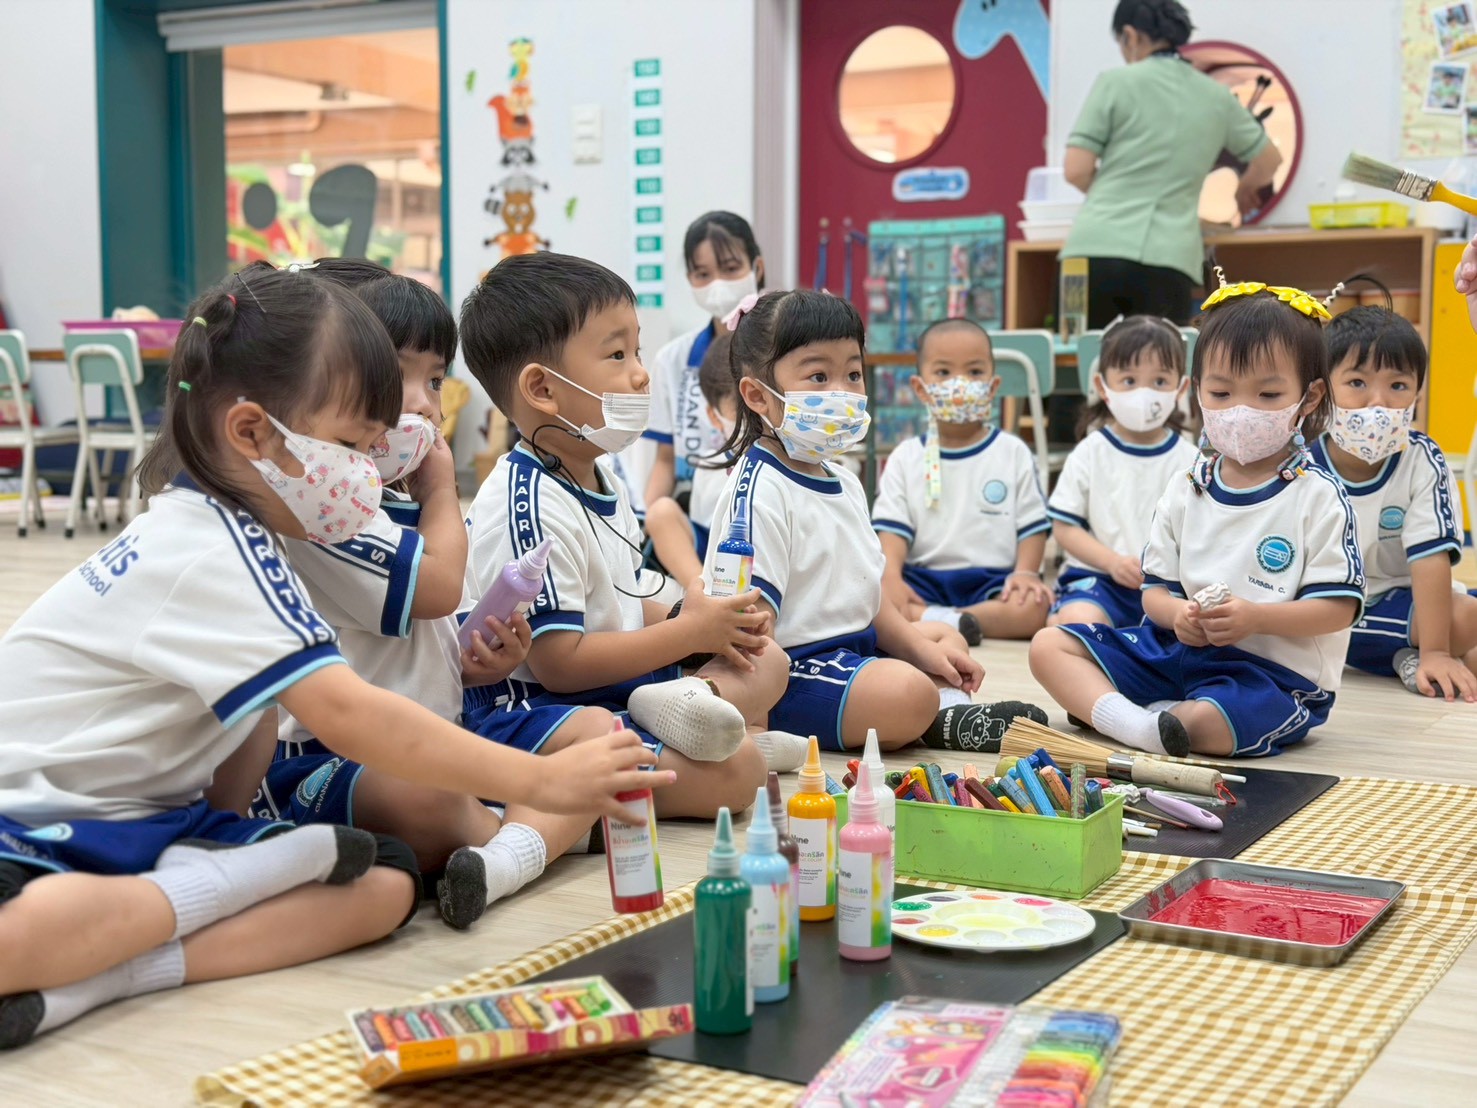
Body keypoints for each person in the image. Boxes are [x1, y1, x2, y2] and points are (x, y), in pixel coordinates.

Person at [0, 265, 663, 1047]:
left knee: (380, 887)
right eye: (350, 445)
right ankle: (119, 921)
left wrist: (223, 828)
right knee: (51, 922)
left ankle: (113, 969)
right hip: (38, 824)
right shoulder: (203, 547)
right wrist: (541, 781)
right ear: (251, 433)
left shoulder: (243, 535)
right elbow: (348, 713)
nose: (365, 467)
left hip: (153, 824)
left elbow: (247, 728)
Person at [253, 263, 607, 932]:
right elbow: (436, 588)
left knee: (594, 734)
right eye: (397, 378)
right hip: (330, 762)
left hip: (440, 735)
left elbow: (430, 630)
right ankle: (531, 838)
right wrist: (442, 490)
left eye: (436, 380)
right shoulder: (323, 511)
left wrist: (479, 659)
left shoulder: (389, 505)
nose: (421, 402)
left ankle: (508, 847)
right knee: (430, 798)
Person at [459, 252, 792, 816]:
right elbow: (560, 663)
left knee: (769, 661)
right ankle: (607, 790)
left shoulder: (600, 469)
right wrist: (688, 635)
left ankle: (680, 715)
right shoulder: (529, 503)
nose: (641, 372)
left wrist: (712, 622)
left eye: (637, 351)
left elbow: (622, 595)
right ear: (542, 389)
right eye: (617, 354)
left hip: (618, 685)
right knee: (741, 778)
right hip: (542, 711)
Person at [1029, 278, 1364, 757]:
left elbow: (1338, 609)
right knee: (1049, 647)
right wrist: (1178, 616)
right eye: (1222, 393)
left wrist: (1254, 619)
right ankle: (1149, 728)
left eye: (1268, 396)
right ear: (1199, 392)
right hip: (1176, 653)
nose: (1241, 410)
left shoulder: (1318, 496)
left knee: (1209, 720)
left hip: (1270, 676)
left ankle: (1141, 721)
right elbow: (1154, 591)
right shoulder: (1188, 484)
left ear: (1308, 399)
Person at [707, 289, 1048, 755]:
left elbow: (869, 596)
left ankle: (933, 711)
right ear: (757, 396)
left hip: (855, 651)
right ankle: (937, 719)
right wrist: (752, 712)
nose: (843, 393)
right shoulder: (759, 487)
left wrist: (920, 649)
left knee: (943, 640)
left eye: (853, 373)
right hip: (794, 669)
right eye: (819, 376)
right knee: (907, 692)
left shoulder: (844, 482)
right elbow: (748, 629)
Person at [1060, 0, 1283, 326]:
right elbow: (1269, 159)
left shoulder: (1114, 82)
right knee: (1161, 363)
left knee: (1073, 353)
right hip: (1170, 258)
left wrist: (1115, 195)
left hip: (1088, 253)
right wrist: (1242, 190)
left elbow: (1075, 169)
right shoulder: (1216, 96)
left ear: (1129, 36)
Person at [1308, 306, 1476, 700]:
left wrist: (1435, 651)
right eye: (1357, 382)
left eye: (1398, 386)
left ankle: (1408, 654)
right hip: (1326, 608)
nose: (1378, 402)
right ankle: (1407, 653)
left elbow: (1430, 559)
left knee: (1467, 619)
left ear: (1418, 392)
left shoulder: (1422, 458)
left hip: (1404, 601)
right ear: (1322, 390)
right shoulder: (1300, 466)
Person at [873, 319, 1054, 642]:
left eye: (973, 372)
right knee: (875, 601)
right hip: (922, 579)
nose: (959, 383)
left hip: (992, 581)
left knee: (1033, 610)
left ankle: (930, 620)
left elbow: (1033, 527)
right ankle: (956, 621)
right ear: (920, 388)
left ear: (992, 386)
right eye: (943, 373)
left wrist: (1026, 573)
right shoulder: (905, 456)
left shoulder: (1012, 451)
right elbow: (891, 532)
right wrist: (892, 577)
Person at [1048, 315, 1200, 627]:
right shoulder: (1091, 452)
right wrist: (1112, 562)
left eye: (1159, 381)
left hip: (1168, 590)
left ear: (1181, 388)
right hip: (1099, 579)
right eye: (1129, 381)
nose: (1143, 393)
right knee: (1078, 623)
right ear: (1103, 387)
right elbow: (1065, 528)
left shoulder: (1191, 459)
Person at [641, 212, 764, 511]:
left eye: (731, 268)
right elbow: (666, 461)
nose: (717, 284)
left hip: (766, 505)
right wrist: (647, 518)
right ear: (690, 280)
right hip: (700, 513)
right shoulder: (673, 359)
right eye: (703, 275)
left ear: (757, 268)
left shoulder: (784, 349)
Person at [645, 330, 739, 587]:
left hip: (762, 564)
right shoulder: (708, 464)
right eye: (739, 406)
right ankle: (704, 597)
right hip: (710, 563)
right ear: (713, 415)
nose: (750, 416)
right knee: (661, 512)